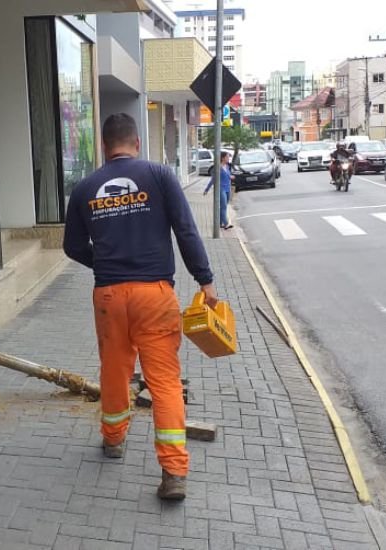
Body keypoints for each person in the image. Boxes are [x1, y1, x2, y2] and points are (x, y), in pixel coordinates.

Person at [63, 113, 218, 501]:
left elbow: (71, 246)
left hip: (109, 297)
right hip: (155, 294)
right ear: (136, 142)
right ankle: (173, 473)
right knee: (163, 381)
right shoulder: (159, 176)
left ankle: (113, 440)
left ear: (104, 146)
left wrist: (102, 262)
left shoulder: (85, 188)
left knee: (115, 371)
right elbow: (186, 230)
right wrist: (205, 280)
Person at [203, 151, 233, 229]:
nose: (228, 158)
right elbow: (213, 179)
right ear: (223, 158)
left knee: (224, 206)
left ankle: (219, 223)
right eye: (227, 157)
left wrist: (231, 177)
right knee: (223, 207)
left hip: (227, 188)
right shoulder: (218, 168)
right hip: (221, 188)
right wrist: (207, 189)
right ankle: (226, 223)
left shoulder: (227, 166)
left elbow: (228, 175)